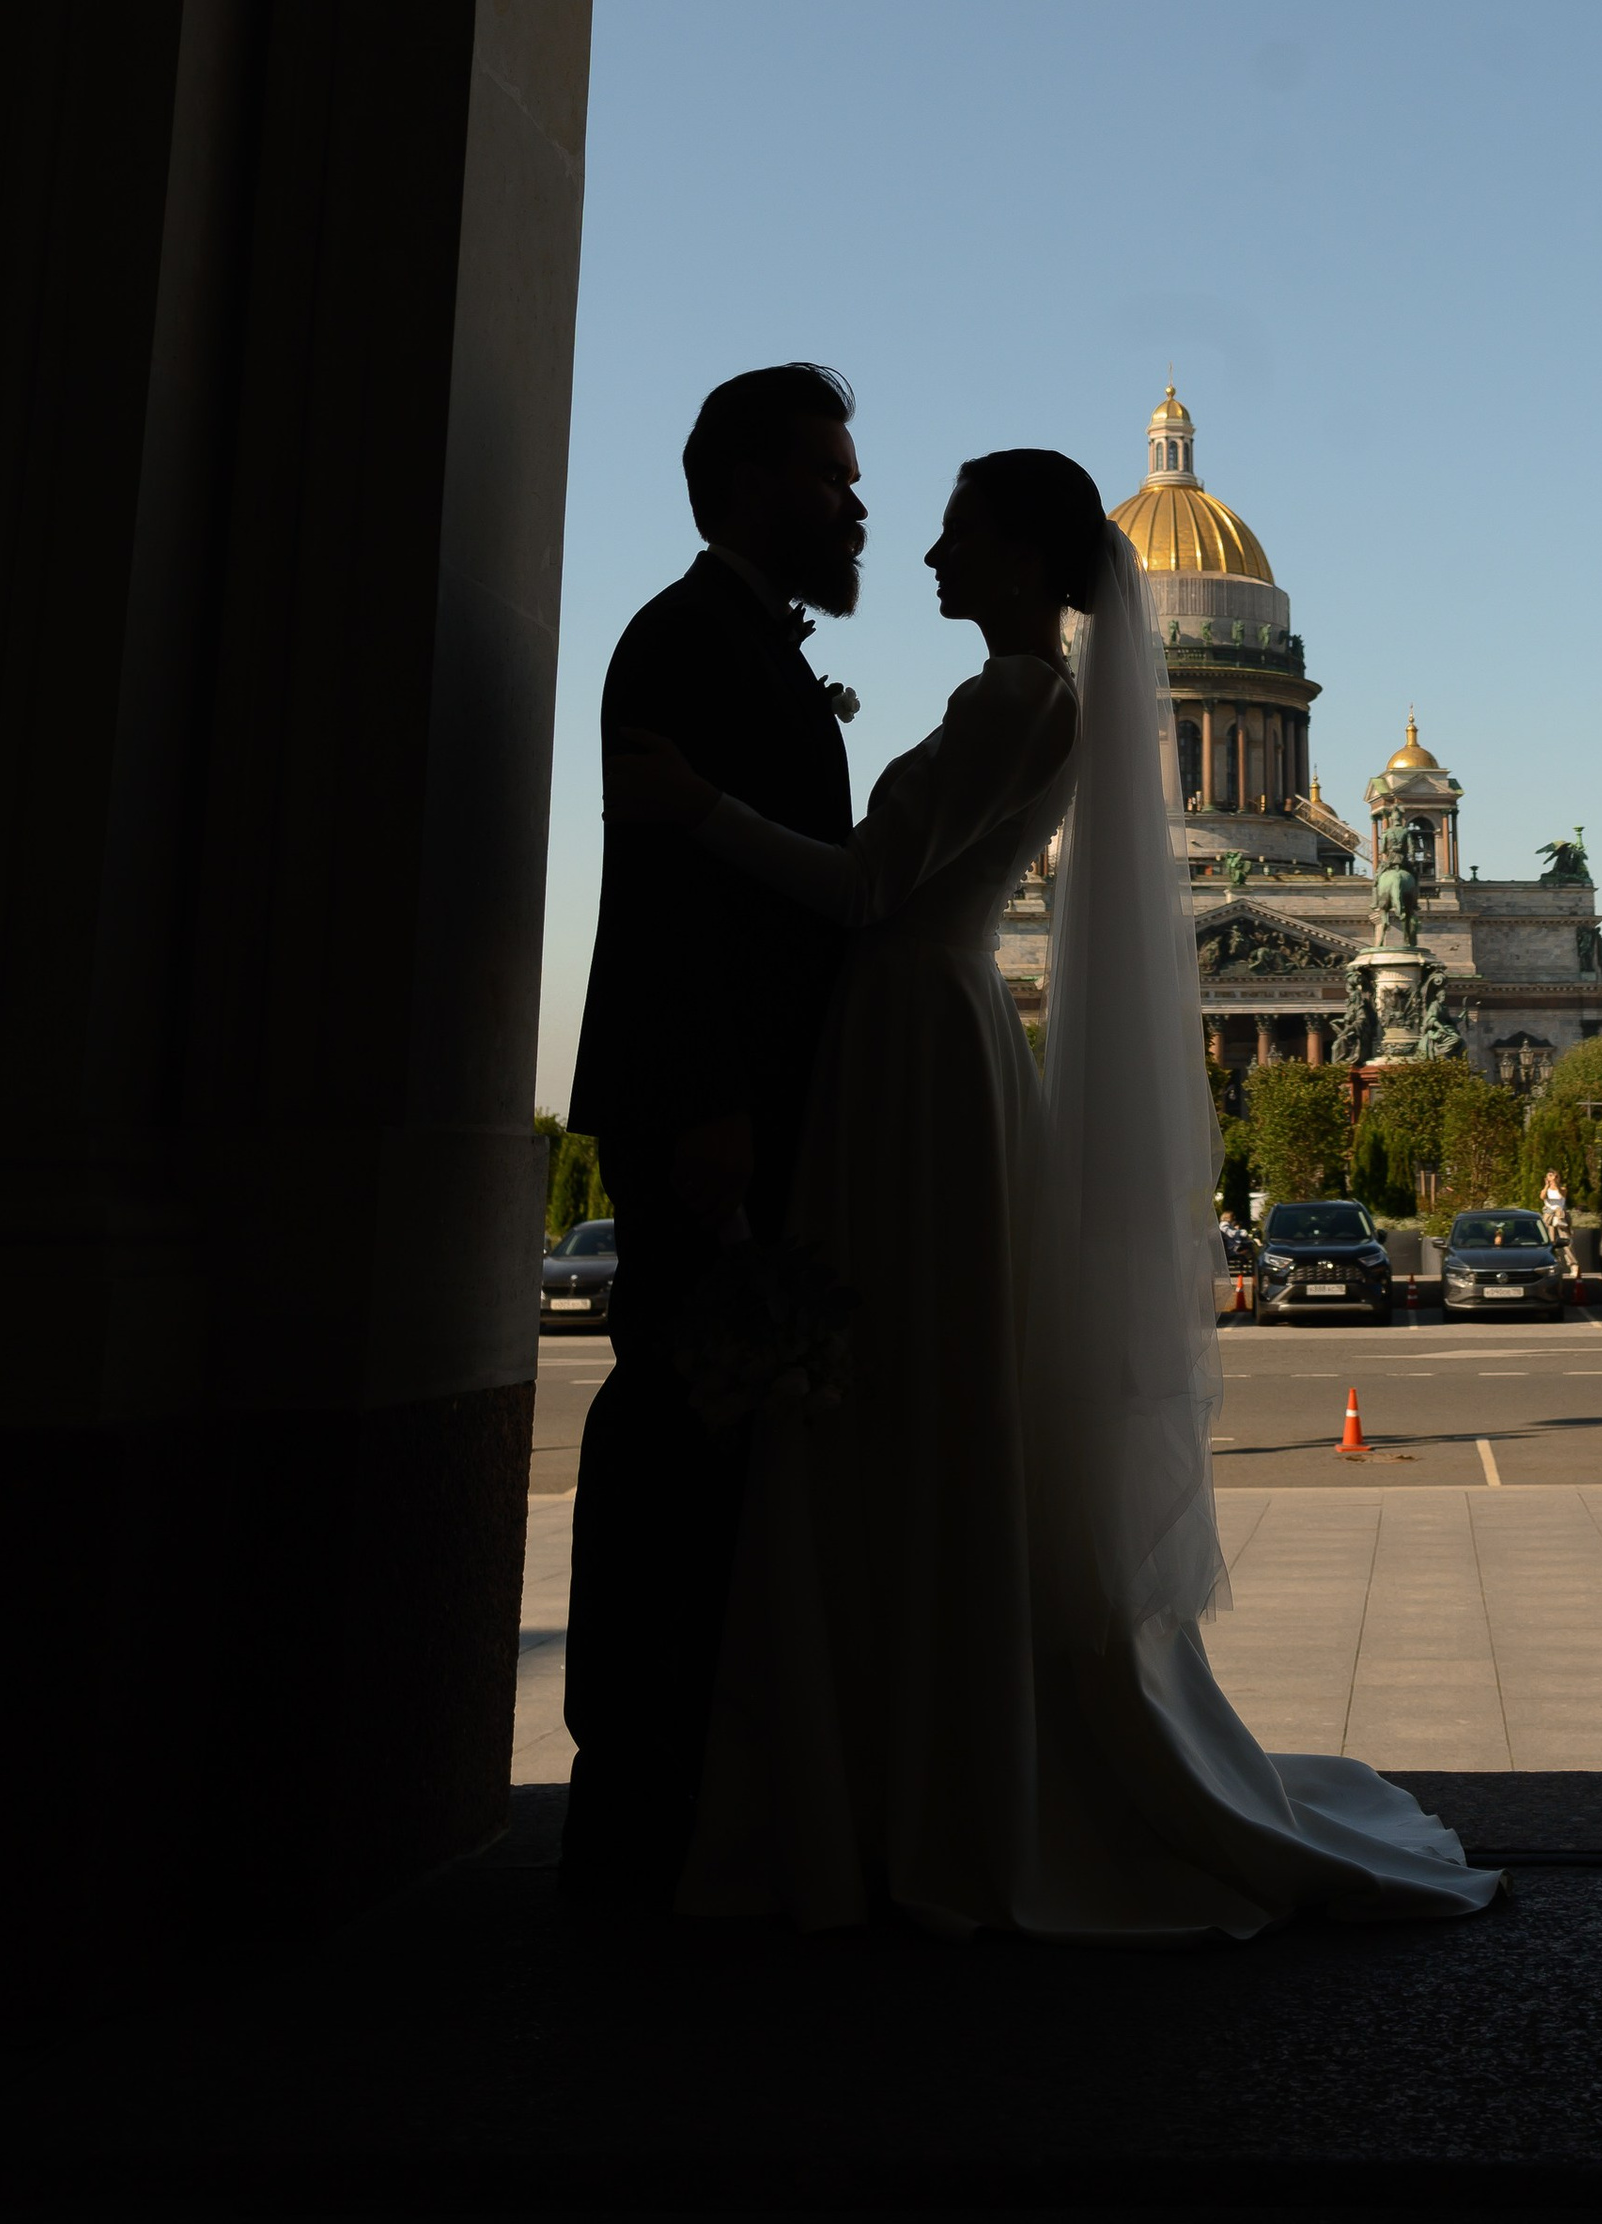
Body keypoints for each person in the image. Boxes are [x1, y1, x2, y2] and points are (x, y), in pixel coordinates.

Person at [605, 448, 1499, 1939]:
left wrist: (693, 806)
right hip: (925, 1044)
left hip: (917, 1049)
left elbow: (867, 886)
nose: (925, 551)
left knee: (917, 1387)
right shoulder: (1033, 699)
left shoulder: (1020, 696)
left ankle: (923, 1770)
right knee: (938, 1383)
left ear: (1031, 563)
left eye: (958, 533)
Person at [561, 363, 866, 1902]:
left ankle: (681, 1778)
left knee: (715, 1437)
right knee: (673, 1432)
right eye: (828, 474)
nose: (857, 502)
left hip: (747, 1110)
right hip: (713, 1120)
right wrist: (712, 1109)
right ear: (750, 484)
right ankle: (630, 1785)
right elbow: (677, 909)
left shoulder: (740, 639)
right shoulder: (685, 640)